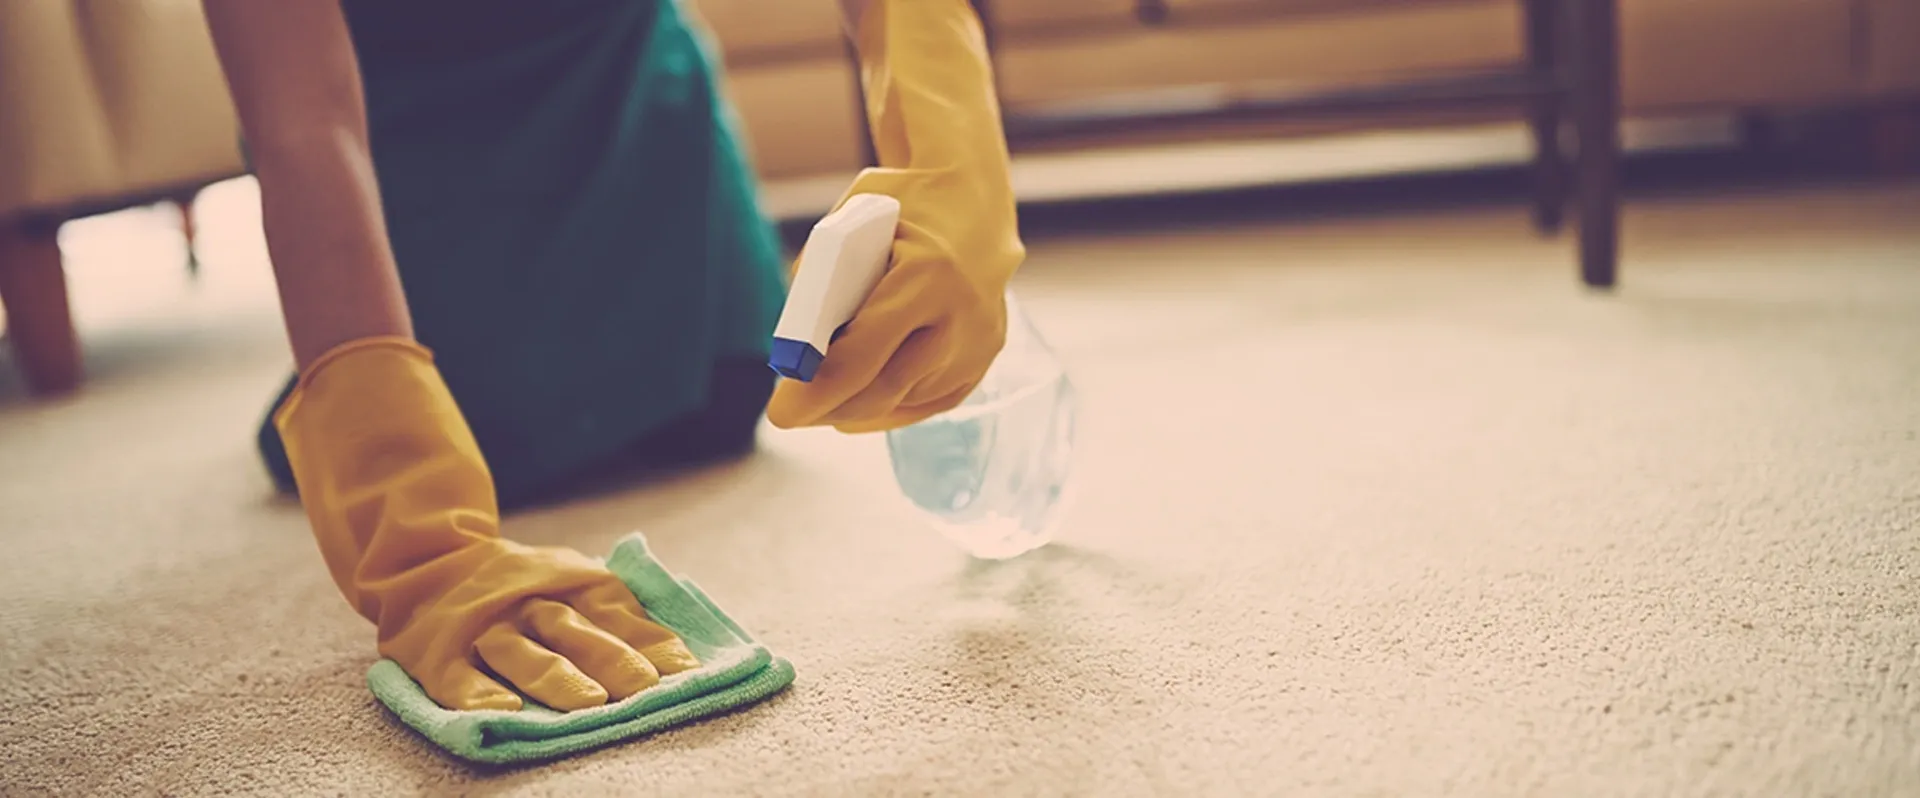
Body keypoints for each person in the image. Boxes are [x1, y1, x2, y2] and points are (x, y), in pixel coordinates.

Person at [200, 0, 1023, 714]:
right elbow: (303, 125)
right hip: (403, 129)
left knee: (720, 398)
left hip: (627, 92)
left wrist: (948, 148)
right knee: (491, 425)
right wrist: (414, 535)